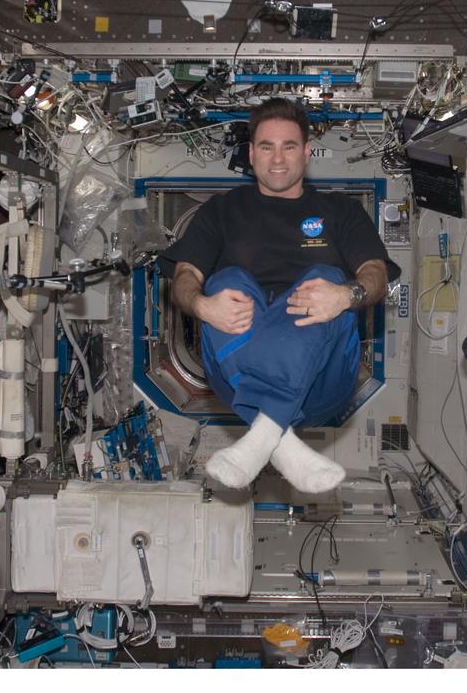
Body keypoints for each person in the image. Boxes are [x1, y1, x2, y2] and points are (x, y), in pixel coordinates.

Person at [158, 98, 399, 494]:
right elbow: (185, 276)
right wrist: (203, 305)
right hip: (238, 372)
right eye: (266, 147)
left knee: (326, 278)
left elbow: (374, 275)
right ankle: (278, 440)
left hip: (321, 383)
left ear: (306, 152)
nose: (278, 159)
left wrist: (345, 295)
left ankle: (262, 434)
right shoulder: (220, 211)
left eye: (289, 146)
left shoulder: (340, 212)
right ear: (251, 154)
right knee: (225, 283)